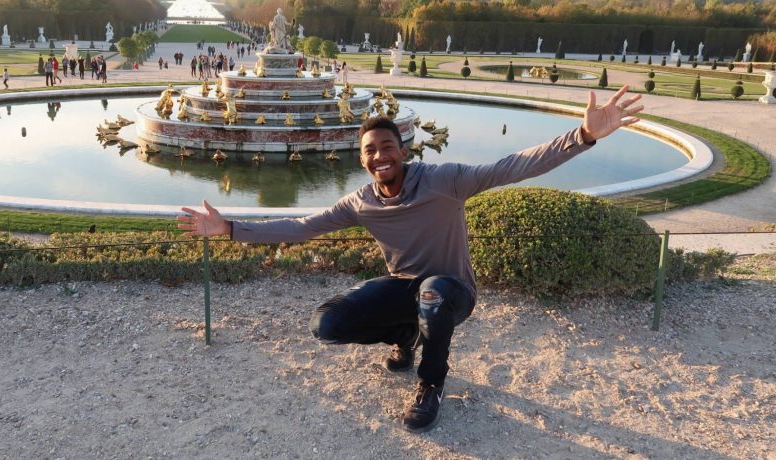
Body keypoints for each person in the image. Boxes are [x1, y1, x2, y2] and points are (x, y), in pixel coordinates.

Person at [177, 85, 644, 433]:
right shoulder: (361, 202)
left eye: (386, 147)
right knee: (329, 325)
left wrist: (583, 135)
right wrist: (229, 228)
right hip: (406, 289)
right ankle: (404, 333)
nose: (379, 156)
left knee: (435, 297)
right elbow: (301, 227)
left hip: (452, 291)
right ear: (361, 160)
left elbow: (512, 166)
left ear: (403, 151)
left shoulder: (444, 180)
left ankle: (431, 384)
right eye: (369, 151)